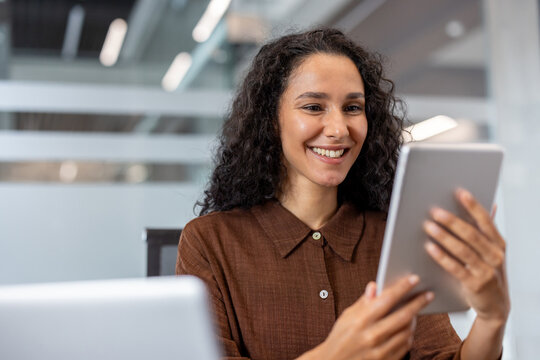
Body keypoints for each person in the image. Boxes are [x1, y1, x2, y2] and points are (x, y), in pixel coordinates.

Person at [176, 28, 509, 360]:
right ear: (271, 120)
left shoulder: (392, 238)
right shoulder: (209, 242)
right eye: (313, 107)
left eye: (352, 108)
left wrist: (492, 319)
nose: (338, 129)